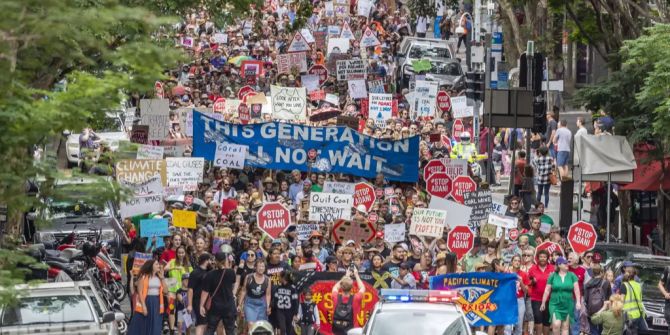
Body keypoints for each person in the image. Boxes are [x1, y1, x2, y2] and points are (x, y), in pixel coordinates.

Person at [199, 251, 238, 335]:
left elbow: (205, 292)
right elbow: (233, 283)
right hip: (228, 306)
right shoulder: (231, 272)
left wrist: (201, 305)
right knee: (230, 330)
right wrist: (227, 263)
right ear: (226, 260)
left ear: (215, 260)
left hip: (215, 307)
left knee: (211, 329)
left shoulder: (209, 275)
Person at [541, 257, 581, 335]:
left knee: (565, 327)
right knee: (556, 324)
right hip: (555, 303)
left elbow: (576, 290)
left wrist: (578, 302)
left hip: (568, 303)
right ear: (559, 265)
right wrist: (543, 302)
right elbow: (547, 290)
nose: (567, 264)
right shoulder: (552, 276)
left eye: (567, 263)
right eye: (565, 263)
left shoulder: (572, 275)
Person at [129, 260, 168, 335]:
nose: (159, 266)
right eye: (156, 264)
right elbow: (140, 292)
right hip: (147, 301)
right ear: (151, 266)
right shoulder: (143, 277)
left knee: (155, 324)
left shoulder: (159, 277)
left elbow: (166, 291)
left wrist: (162, 278)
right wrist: (144, 306)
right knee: (144, 324)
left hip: (157, 303)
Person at [238, 260, 271, 330]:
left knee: (261, 327)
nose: (261, 268)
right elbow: (244, 291)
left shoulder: (267, 279)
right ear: (255, 267)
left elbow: (268, 294)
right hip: (250, 303)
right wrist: (240, 304)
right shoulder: (249, 277)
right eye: (259, 266)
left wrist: (268, 306)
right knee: (251, 325)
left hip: (262, 304)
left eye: (263, 266)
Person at [331, 268, 366, 335]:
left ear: (341, 286)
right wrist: (356, 274)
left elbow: (335, 287)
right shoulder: (356, 298)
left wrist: (346, 276)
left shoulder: (335, 297)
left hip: (337, 331)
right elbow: (362, 288)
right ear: (352, 287)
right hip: (352, 331)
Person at [530, 249, 555, 335]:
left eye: (544, 257)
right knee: (538, 319)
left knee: (547, 320)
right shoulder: (533, 268)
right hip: (536, 298)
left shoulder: (552, 268)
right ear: (537, 258)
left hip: (549, 299)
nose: (542, 258)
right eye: (541, 257)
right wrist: (533, 281)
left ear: (547, 258)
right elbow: (529, 282)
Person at [504, 255, 530, 335]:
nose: (517, 262)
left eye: (519, 261)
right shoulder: (506, 273)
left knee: (519, 325)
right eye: (515, 260)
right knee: (507, 326)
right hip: (508, 300)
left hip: (520, 300)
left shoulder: (524, 274)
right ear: (512, 262)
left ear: (521, 263)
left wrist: (521, 282)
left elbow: (526, 291)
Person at [585, 264, 613, 335]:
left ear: (592, 272)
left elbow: (586, 299)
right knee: (602, 330)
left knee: (593, 330)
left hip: (591, 310)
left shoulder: (587, 284)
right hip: (603, 310)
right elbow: (610, 298)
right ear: (601, 272)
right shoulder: (606, 283)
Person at [188, 253, 212, 335]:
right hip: (197, 300)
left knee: (206, 323)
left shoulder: (210, 271)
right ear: (206, 260)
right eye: (210, 260)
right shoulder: (195, 272)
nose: (211, 262)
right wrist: (190, 305)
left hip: (208, 300)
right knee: (201, 322)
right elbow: (190, 289)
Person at [619, 269, 644, 335]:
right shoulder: (639, 285)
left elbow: (621, 301)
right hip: (638, 315)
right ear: (634, 275)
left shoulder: (624, 285)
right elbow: (640, 300)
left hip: (628, 316)